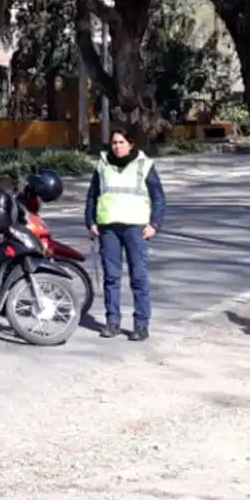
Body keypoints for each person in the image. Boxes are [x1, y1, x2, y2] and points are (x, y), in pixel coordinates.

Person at [84, 128, 167, 341]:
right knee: (111, 277)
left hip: (135, 228)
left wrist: (155, 225)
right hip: (109, 228)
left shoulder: (144, 165)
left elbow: (158, 197)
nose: (117, 146)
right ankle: (112, 322)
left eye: (121, 142)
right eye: (114, 143)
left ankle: (141, 325)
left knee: (138, 277)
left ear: (131, 144)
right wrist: (91, 221)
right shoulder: (102, 165)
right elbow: (93, 195)